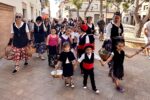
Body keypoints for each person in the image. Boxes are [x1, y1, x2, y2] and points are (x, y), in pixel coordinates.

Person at [105, 12, 124, 77]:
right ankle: (111, 70)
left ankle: (112, 70)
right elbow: (107, 36)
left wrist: (123, 42)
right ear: (113, 17)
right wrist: (110, 42)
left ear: (120, 18)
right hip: (112, 43)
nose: (116, 19)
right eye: (115, 18)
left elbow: (122, 34)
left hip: (119, 44)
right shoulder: (110, 25)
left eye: (118, 18)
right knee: (112, 57)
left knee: (118, 58)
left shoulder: (121, 25)